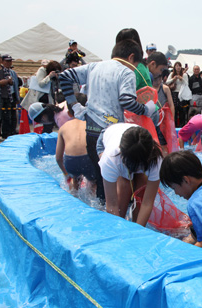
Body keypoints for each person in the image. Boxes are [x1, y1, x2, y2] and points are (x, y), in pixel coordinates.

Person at [59, 40, 160, 202]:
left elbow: (64, 77)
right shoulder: (126, 72)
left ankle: (103, 211)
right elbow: (126, 101)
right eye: (136, 64)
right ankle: (120, 216)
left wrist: (74, 105)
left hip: (91, 131)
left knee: (101, 178)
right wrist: (145, 109)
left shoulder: (93, 67)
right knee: (122, 178)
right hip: (112, 135)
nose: (135, 69)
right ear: (131, 57)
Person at [97, 123, 163, 227]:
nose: (135, 169)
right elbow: (112, 205)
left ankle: (135, 222)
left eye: (139, 166)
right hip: (107, 136)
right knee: (124, 186)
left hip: (139, 144)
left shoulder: (156, 160)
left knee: (142, 190)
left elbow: (147, 203)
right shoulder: (110, 158)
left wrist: (138, 231)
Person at [56, 117, 97, 192]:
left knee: (75, 179)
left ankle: (73, 197)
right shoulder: (91, 124)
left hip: (71, 160)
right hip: (88, 158)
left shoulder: (63, 127)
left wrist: (66, 174)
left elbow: (58, 158)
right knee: (93, 181)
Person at [166, 61, 190, 127]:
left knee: (182, 109)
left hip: (181, 93)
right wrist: (173, 79)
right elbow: (167, 82)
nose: (178, 67)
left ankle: (182, 125)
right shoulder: (171, 74)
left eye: (179, 66)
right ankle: (175, 124)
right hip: (174, 93)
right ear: (174, 67)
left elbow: (187, 83)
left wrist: (181, 79)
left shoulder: (184, 75)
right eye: (177, 66)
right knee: (175, 109)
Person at [2, 54, 21, 136]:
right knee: (6, 115)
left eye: (10, 61)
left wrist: (17, 97)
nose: (9, 63)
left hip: (13, 94)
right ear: (2, 62)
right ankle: (6, 132)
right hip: (5, 95)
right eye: (7, 61)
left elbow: (17, 85)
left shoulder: (13, 72)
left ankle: (13, 130)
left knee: (13, 115)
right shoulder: (1, 71)